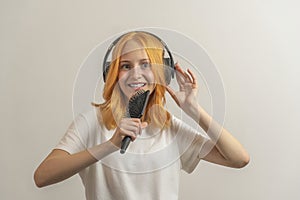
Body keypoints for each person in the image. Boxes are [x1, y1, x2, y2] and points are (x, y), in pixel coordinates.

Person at [34, 31, 250, 200]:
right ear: (113, 74)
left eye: (145, 64)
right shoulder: (92, 122)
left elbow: (238, 159)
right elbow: (42, 176)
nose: (136, 74)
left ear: (160, 72)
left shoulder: (169, 127)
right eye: (125, 66)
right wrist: (111, 144)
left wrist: (195, 111)